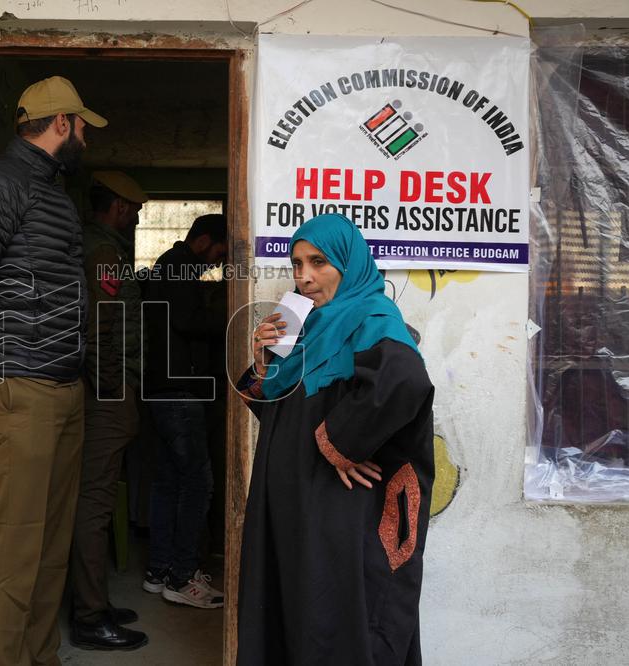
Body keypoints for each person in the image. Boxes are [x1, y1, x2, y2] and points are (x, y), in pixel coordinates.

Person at [0, 75, 106, 666]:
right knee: (15, 547)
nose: (86, 136)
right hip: (18, 386)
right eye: (82, 125)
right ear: (62, 123)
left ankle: (39, 657)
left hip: (58, 385)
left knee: (50, 543)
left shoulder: (50, 191)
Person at [235, 213, 435, 665]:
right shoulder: (305, 326)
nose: (304, 277)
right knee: (294, 609)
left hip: (336, 506)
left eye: (319, 262)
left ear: (350, 263)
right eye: (297, 264)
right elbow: (280, 412)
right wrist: (265, 360)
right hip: (293, 503)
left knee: (333, 617)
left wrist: (342, 444)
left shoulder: (373, 317)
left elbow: (404, 381)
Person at [68, 171, 149, 651]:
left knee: (92, 499)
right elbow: (100, 328)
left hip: (104, 391)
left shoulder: (98, 247)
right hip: (105, 394)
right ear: (118, 207)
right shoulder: (102, 253)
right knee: (94, 503)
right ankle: (89, 615)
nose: (135, 218)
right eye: (133, 210)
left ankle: (91, 600)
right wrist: (112, 391)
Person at [141, 214, 228, 609]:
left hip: (163, 389)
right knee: (197, 483)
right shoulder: (177, 268)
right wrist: (233, 308)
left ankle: (159, 571)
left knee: (168, 483)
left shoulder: (169, 266)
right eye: (220, 252)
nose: (220, 260)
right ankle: (181, 577)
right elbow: (188, 320)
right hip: (179, 391)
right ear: (204, 241)